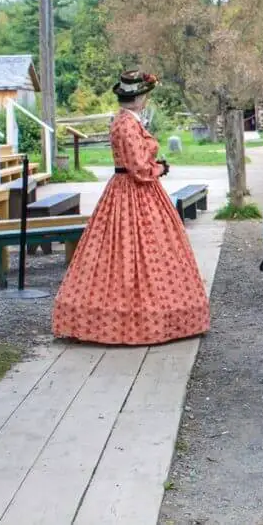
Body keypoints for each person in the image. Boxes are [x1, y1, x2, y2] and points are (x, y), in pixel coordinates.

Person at [51, 70, 210, 346]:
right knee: (136, 250)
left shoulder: (125, 121)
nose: (146, 100)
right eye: (145, 96)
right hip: (134, 191)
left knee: (128, 252)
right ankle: (139, 318)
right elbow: (138, 169)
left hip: (126, 191)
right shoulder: (127, 124)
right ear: (138, 98)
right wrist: (159, 168)